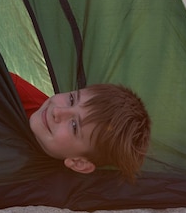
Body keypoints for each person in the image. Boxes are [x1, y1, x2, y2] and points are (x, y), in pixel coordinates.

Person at [10, 73, 151, 182]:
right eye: (71, 100)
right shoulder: (12, 88)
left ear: (79, 163)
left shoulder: (37, 183)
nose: (58, 111)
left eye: (74, 126)